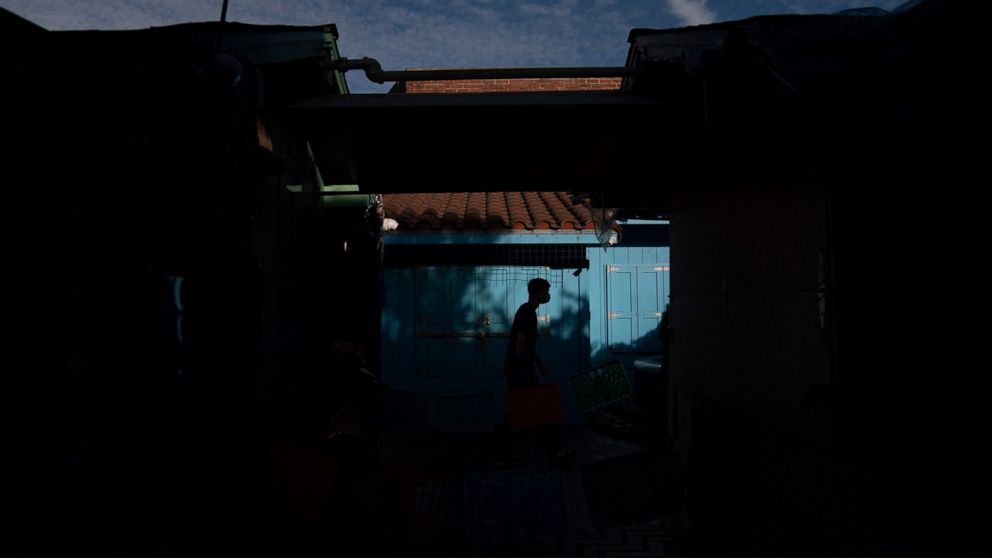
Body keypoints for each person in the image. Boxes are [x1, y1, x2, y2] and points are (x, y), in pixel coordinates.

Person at [496, 278, 572, 466]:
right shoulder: (527, 313)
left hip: (520, 368)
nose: (548, 294)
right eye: (546, 290)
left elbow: (526, 346)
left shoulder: (527, 311)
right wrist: (524, 374)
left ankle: (505, 455)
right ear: (538, 293)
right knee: (531, 408)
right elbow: (520, 344)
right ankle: (552, 451)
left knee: (519, 410)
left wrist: (538, 364)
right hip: (520, 369)